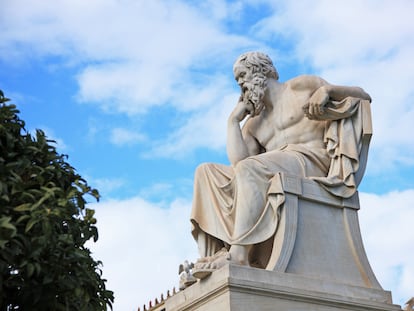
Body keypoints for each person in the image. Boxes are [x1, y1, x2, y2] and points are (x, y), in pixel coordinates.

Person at [190, 51, 371, 278]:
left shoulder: (300, 87)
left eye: (242, 76)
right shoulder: (253, 124)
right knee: (205, 172)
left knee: (252, 167)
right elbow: (238, 164)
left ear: (261, 71)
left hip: (312, 161)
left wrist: (327, 91)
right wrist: (233, 121)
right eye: (237, 80)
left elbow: (363, 95)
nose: (240, 83)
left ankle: (239, 256)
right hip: (277, 166)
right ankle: (214, 255)